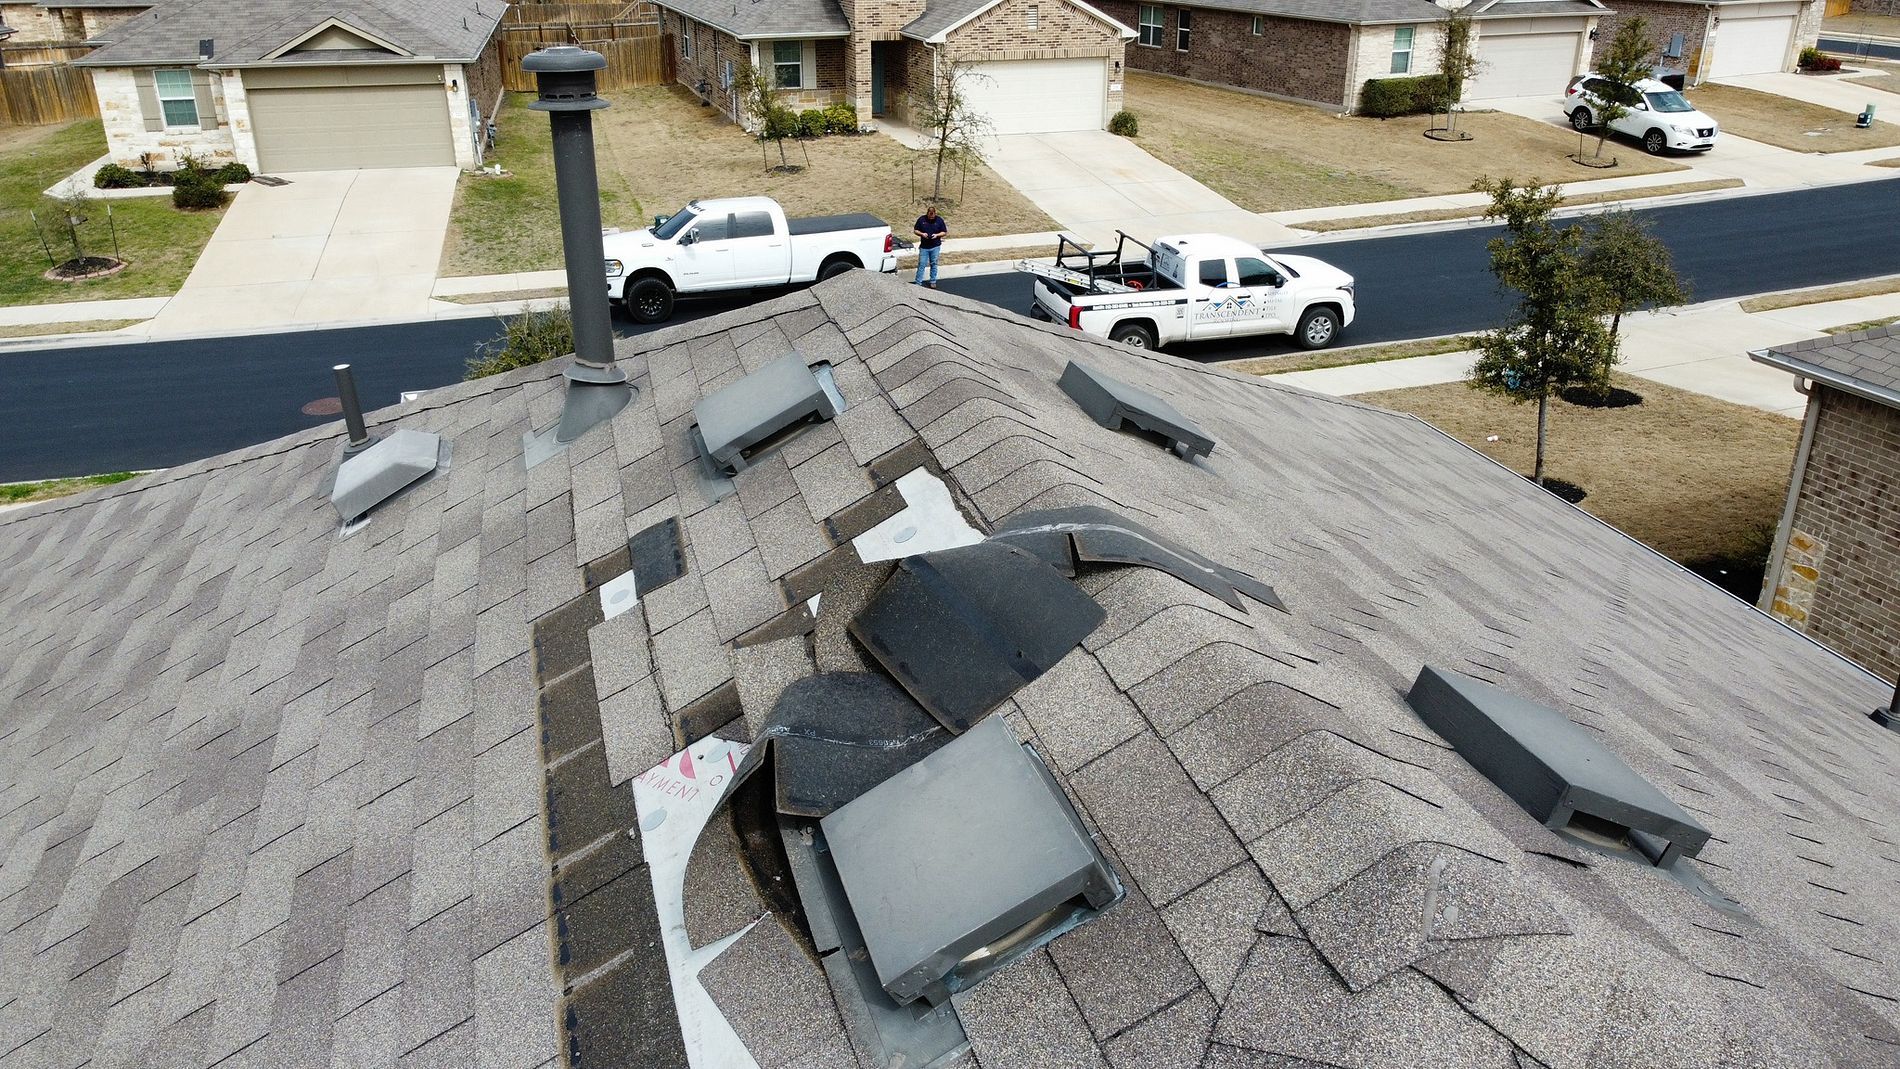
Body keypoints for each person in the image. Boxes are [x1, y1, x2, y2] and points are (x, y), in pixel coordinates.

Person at [913, 205, 948, 287]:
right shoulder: (922, 219)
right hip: (924, 247)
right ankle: (918, 282)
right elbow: (915, 230)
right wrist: (922, 234)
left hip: (935, 246)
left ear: (935, 214)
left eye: (933, 216)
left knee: (934, 263)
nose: (931, 218)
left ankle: (933, 281)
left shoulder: (939, 220)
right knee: (921, 264)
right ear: (927, 213)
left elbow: (944, 232)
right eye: (930, 216)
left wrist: (937, 235)